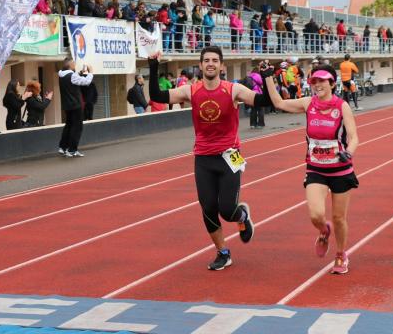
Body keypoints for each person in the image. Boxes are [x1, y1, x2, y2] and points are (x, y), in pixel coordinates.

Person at [148, 47, 274, 271]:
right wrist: (153, 64)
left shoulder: (233, 90)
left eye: (215, 60)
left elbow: (263, 101)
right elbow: (157, 96)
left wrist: (266, 78)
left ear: (222, 66)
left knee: (227, 209)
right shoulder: (191, 91)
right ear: (200, 65)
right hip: (203, 157)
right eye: (206, 60)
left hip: (230, 156)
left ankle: (242, 215)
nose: (210, 64)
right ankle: (223, 252)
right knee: (208, 209)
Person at [262, 63, 359, 274]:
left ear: (332, 83)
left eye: (322, 80)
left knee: (339, 218)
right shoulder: (308, 103)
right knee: (316, 215)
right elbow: (278, 103)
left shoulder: (342, 106)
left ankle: (341, 254)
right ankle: (324, 232)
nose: (317, 85)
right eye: (314, 81)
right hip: (316, 169)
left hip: (341, 170)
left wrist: (348, 152)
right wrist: (268, 76)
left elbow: (353, 137)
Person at [58, 58, 93, 157]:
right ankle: (72, 150)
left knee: (68, 126)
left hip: (67, 105)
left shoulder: (61, 75)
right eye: (74, 63)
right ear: (70, 65)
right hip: (76, 105)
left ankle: (63, 147)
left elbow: (73, 78)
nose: (75, 65)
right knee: (77, 127)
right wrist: (91, 73)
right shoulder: (72, 76)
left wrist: (80, 72)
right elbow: (86, 82)